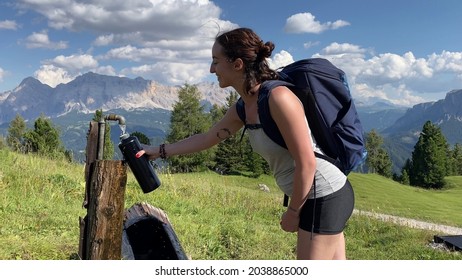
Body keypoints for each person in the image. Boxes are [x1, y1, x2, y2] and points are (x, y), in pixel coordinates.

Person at [142, 27, 355, 260]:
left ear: (237, 64)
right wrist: (158, 151)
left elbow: (307, 162)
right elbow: (207, 138)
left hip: (324, 195)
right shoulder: (244, 106)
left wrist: (293, 212)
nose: (211, 69)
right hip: (315, 196)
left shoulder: (278, 98)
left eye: (216, 61)